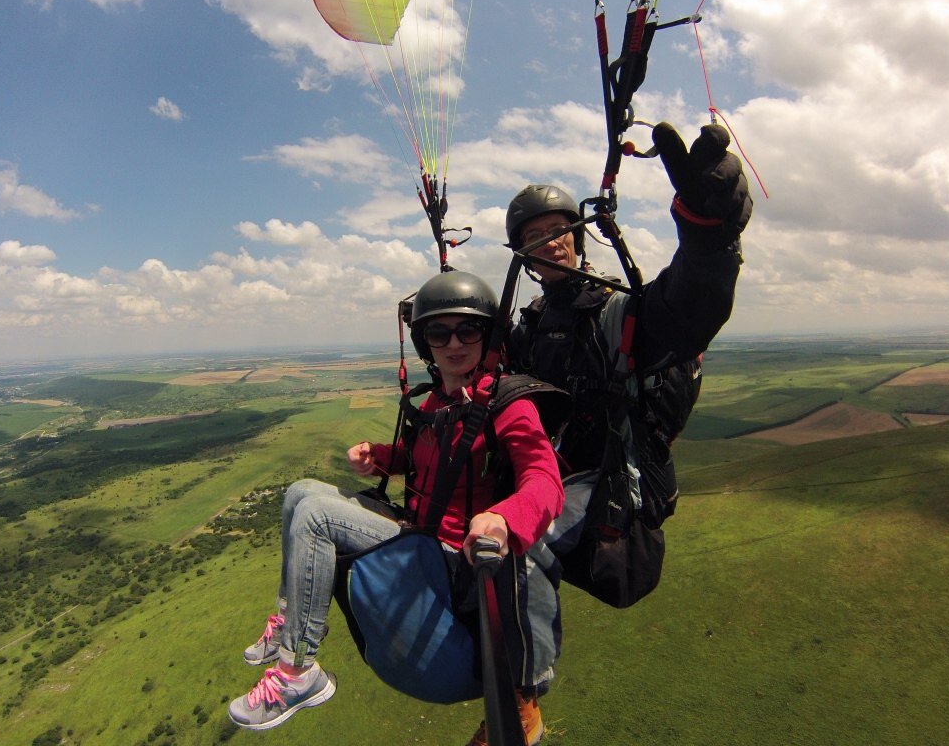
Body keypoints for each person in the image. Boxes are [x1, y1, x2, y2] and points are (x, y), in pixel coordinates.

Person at [228, 270, 564, 746]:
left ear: (485, 335)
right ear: (424, 341)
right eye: (438, 332)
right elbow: (427, 463)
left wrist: (506, 519)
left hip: (451, 556)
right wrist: (381, 458)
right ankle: (286, 621)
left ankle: (298, 669)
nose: (454, 343)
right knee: (301, 490)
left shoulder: (507, 405)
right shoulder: (439, 403)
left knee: (317, 516)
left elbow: (545, 481)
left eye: (467, 330)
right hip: (417, 531)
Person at [504, 122, 751, 575]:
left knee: (501, 554)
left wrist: (708, 237)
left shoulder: (618, 313)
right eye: (534, 235)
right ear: (523, 253)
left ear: (577, 238)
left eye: (559, 229)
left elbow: (686, 308)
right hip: (560, 479)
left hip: (615, 497)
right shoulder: (530, 328)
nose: (550, 242)